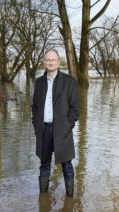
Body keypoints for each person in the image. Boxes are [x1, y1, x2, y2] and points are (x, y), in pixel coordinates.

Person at [32, 48, 79, 197]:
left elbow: (75, 109)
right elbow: (35, 107)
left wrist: (67, 125)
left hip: (62, 130)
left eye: (53, 60)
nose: (50, 62)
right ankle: (43, 200)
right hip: (43, 130)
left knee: (67, 165)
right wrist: (35, 124)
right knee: (44, 165)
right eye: (47, 60)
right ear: (44, 63)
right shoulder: (39, 83)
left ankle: (70, 199)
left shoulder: (69, 81)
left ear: (59, 62)